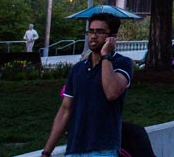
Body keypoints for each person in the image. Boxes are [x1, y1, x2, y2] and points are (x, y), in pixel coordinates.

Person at [40, 13, 134, 157]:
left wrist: (105, 56)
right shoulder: (78, 69)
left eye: (100, 32)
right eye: (91, 31)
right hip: (74, 149)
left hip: (103, 149)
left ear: (112, 36)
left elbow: (111, 92)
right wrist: (47, 152)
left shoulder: (122, 63)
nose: (93, 36)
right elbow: (65, 110)